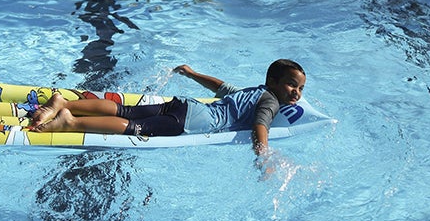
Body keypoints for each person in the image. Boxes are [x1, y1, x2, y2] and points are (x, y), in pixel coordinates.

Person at [28, 59, 307, 159]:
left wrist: (192, 73)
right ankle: (71, 123)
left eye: (300, 89)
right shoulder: (270, 100)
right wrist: (263, 155)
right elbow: (261, 123)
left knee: (124, 110)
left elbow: (223, 88)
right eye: (291, 85)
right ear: (273, 82)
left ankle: (64, 103)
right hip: (193, 122)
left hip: (185, 104)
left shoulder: (256, 91)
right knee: (134, 129)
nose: (295, 93)